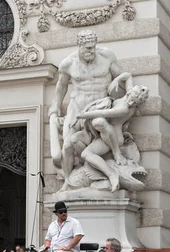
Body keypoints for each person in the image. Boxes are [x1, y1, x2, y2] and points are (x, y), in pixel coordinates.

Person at [51, 30, 124, 191]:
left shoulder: (107, 57)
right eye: (87, 48)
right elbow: (61, 86)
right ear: (79, 46)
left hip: (99, 107)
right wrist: (56, 106)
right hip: (77, 107)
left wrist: (119, 84)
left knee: (101, 128)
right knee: (68, 146)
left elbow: (119, 76)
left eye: (92, 47)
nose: (90, 51)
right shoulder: (68, 63)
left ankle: (111, 159)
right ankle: (67, 180)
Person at [74, 77, 149, 191]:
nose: (131, 101)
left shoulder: (124, 108)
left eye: (134, 101)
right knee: (86, 152)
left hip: (114, 138)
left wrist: (82, 115)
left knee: (98, 123)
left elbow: (103, 113)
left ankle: (113, 169)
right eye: (132, 97)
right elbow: (127, 75)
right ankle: (108, 173)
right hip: (106, 135)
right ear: (130, 92)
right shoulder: (127, 97)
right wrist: (117, 79)